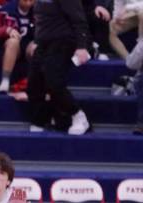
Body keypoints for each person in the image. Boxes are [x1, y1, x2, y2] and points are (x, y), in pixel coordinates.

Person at [27, 0, 91, 135]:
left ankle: (78, 115)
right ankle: (41, 119)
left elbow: (79, 20)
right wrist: (36, 41)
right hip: (43, 42)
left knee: (53, 79)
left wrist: (82, 46)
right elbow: (40, 20)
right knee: (33, 82)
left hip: (64, 40)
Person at [0, 0, 36, 94]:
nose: (28, 3)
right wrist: (6, 30)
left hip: (28, 45)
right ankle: (5, 81)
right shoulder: (5, 10)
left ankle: (39, 82)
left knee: (37, 46)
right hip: (11, 48)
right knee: (13, 42)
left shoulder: (39, 11)